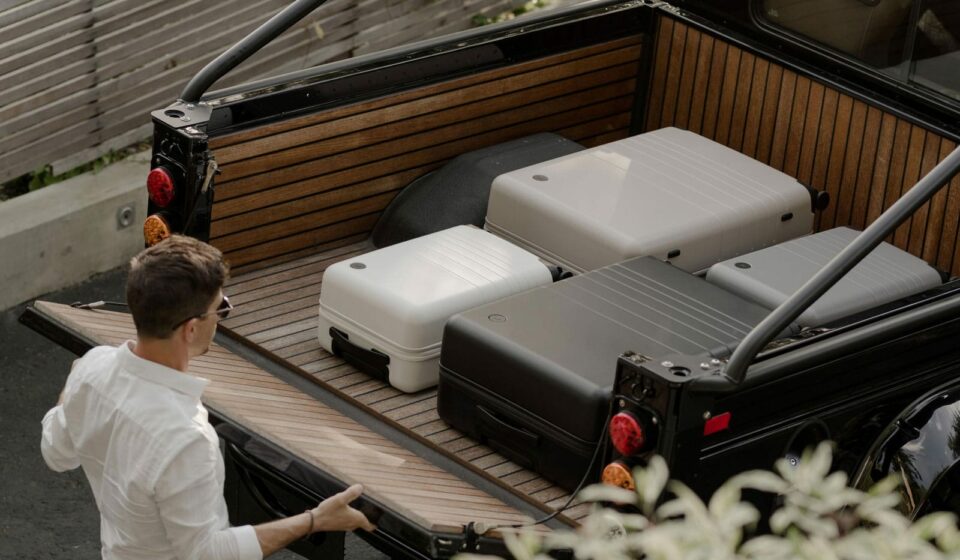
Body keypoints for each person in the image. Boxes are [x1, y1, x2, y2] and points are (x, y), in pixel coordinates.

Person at [40, 235, 375, 560]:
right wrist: (315, 520)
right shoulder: (187, 438)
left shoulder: (93, 367)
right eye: (220, 309)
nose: (221, 317)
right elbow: (206, 552)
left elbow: (57, 454)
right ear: (190, 329)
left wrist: (72, 386)